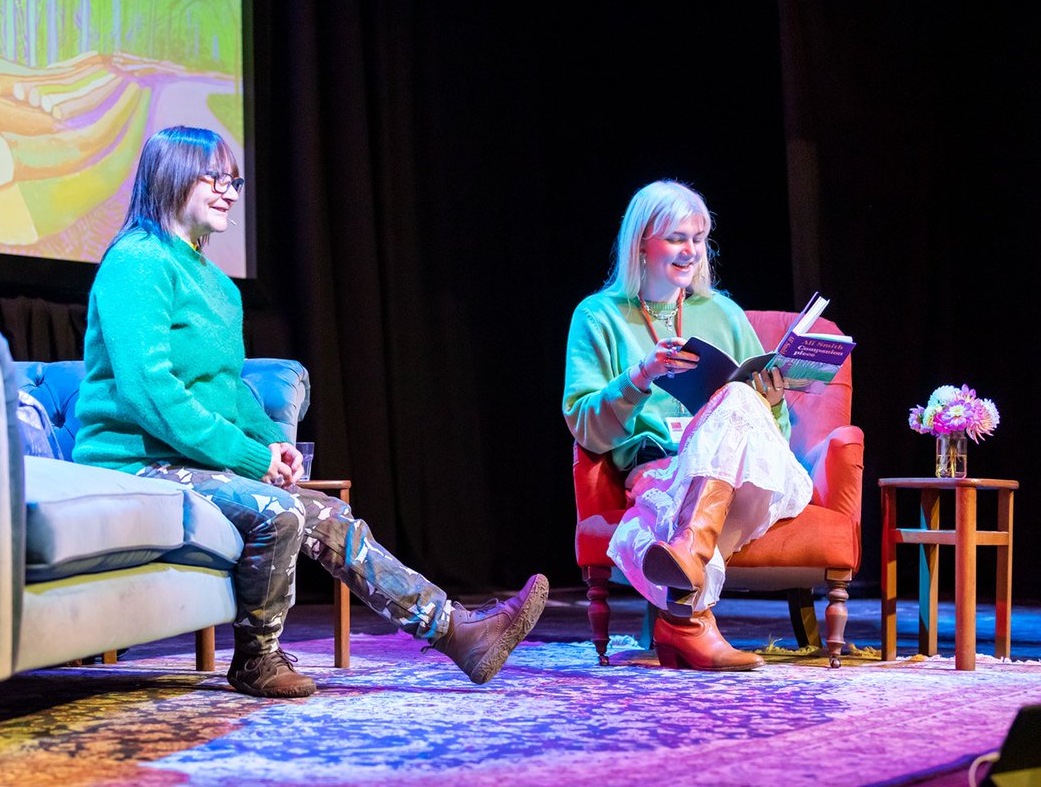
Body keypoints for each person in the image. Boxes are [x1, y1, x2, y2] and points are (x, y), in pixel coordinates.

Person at [73, 126, 548, 698]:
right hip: (134, 462)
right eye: (214, 177)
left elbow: (226, 389)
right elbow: (150, 391)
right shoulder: (139, 261)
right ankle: (256, 659)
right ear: (171, 175)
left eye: (235, 181)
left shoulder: (220, 286)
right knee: (279, 511)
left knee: (331, 516)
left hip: (188, 460)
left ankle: (457, 632)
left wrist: (272, 444)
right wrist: (249, 457)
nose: (229, 191)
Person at [562, 180, 812, 672]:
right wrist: (641, 375)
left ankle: (686, 566)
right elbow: (586, 428)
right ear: (641, 244)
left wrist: (773, 402)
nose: (691, 251)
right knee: (674, 492)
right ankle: (688, 622)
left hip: (750, 474)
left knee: (740, 394)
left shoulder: (722, 311)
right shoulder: (598, 316)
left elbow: (770, 437)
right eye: (678, 238)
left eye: (699, 239)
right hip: (662, 467)